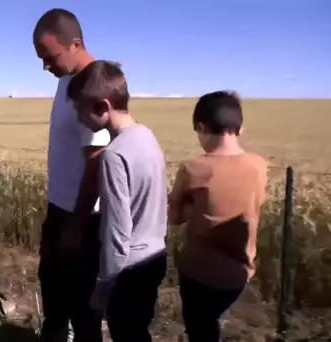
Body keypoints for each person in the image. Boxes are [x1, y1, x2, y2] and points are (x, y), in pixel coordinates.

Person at [66, 60, 169, 342]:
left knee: (126, 333)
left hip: (128, 268)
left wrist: (102, 288)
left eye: (79, 110)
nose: (78, 119)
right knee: (138, 332)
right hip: (155, 256)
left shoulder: (114, 154)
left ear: (102, 106)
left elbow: (117, 231)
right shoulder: (146, 135)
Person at [33, 8, 111, 342]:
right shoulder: (66, 78)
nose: (45, 66)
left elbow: (97, 163)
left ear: (76, 43)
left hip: (84, 218)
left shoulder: (94, 86)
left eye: (50, 57)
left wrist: (76, 226)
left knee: (83, 311)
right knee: (53, 296)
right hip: (59, 209)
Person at [168, 90, 268, 341]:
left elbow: (174, 216)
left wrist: (194, 210)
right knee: (211, 323)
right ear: (240, 128)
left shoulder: (193, 168)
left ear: (201, 126)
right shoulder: (259, 165)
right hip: (240, 272)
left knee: (200, 328)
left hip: (199, 271)